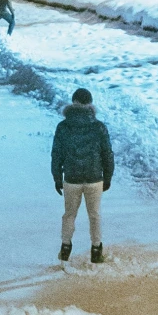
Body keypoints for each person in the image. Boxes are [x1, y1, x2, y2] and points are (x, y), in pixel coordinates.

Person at [51, 86, 114, 265]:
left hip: (72, 179)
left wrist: (57, 177)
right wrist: (108, 176)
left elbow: (56, 154)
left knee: (69, 215)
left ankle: (65, 249)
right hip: (94, 178)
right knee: (94, 215)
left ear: (73, 102)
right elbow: (107, 153)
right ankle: (96, 250)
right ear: (90, 104)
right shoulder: (98, 127)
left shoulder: (63, 127)